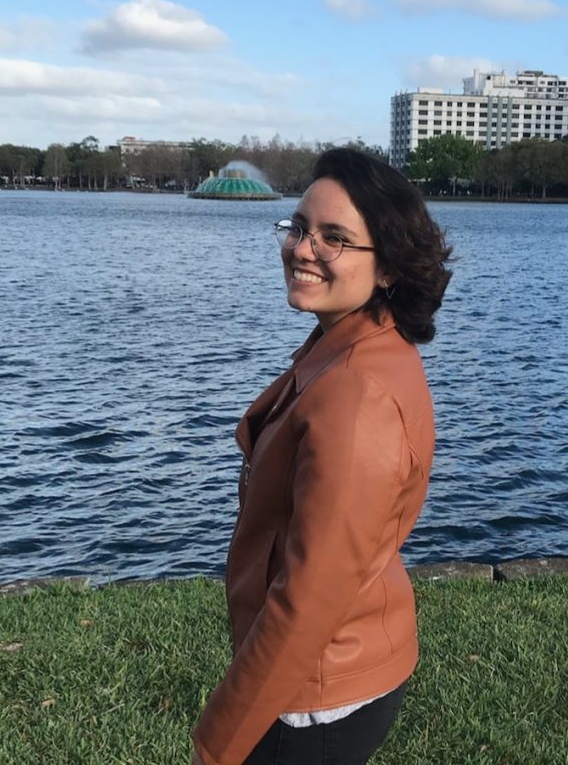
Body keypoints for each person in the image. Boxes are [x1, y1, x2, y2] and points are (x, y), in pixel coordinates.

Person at [192, 148, 452, 765]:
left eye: (334, 238)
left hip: (313, 695)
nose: (302, 249)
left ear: (386, 265)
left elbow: (309, 601)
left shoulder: (357, 395)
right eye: (301, 227)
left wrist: (219, 742)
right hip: (342, 662)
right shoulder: (356, 340)